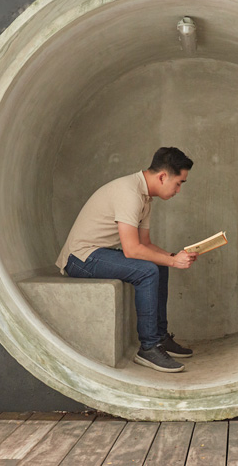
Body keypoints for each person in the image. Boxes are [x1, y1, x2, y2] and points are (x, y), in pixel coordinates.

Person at [55, 147, 197, 373]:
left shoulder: (145, 197)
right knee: (149, 271)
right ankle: (148, 348)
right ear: (162, 177)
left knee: (159, 265)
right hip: (79, 258)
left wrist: (173, 257)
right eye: (179, 183)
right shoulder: (129, 193)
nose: (178, 190)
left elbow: (145, 244)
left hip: (99, 253)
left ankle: (159, 337)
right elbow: (132, 250)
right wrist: (172, 261)